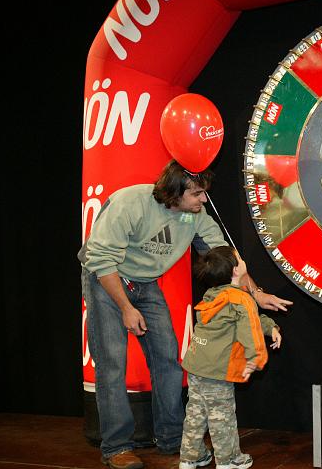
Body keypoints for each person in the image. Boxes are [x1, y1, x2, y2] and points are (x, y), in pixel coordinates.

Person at [79, 160, 292, 469]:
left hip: (144, 282)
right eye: (196, 194)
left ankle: (171, 438)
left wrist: (257, 295)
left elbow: (229, 259)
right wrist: (126, 308)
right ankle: (117, 447)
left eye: (204, 193)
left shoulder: (196, 216)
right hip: (106, 278)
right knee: (112, 364)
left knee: (167, 358)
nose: (204, 199)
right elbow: (101, 260)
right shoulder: (130, 203)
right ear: (174, 193)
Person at [178, 246, 282, 469]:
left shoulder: (213, 294)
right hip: (218, 370)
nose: (242, 260)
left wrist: (270, 326)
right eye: (239, 258)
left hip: (196, 365)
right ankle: (229, 460)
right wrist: (256, 359)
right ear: (236, 270)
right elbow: (249, 331)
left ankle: (190, 457)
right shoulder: (240, 299)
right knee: (222, 416)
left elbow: (248, 318)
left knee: (195, 412)